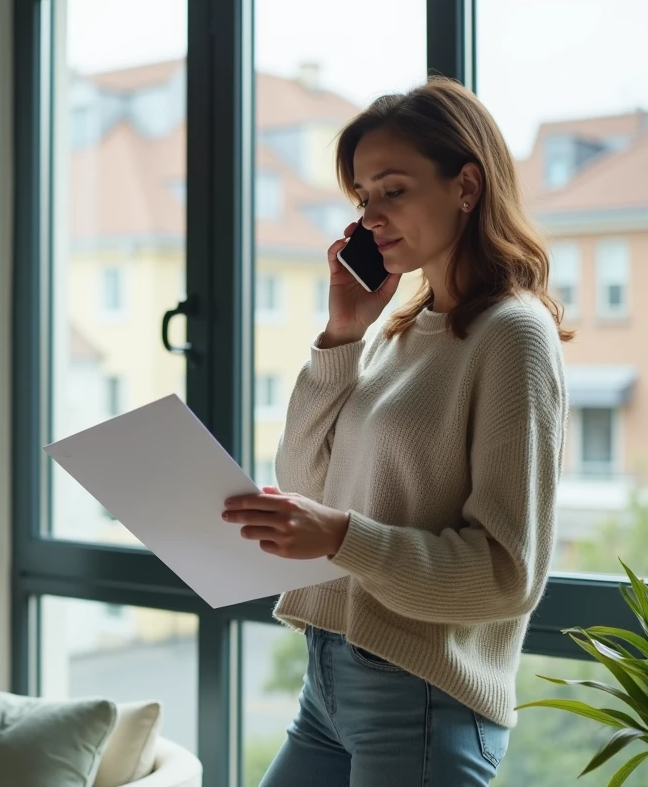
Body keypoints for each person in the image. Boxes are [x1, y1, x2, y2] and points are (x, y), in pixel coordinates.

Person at [221, 76, 569, 786]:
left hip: (418, 695)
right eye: (362, 197)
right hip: (329, 679)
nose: (370, 218)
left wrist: (343, 538)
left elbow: (507, 573)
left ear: (466, 186)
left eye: (393, 190)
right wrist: (343, 334)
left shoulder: (513, 335)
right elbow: (303, 479)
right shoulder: (395, 330)